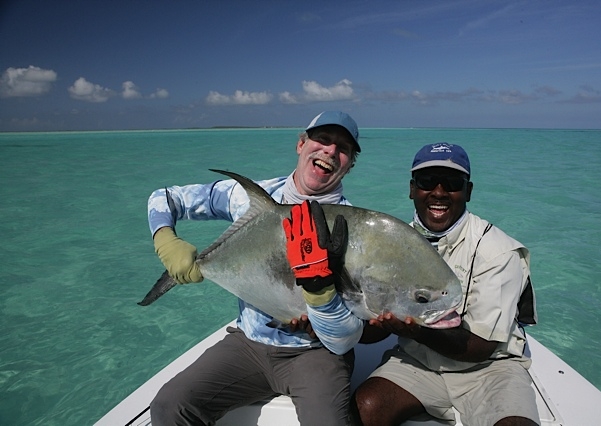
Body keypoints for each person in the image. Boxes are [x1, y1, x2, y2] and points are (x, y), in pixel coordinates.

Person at [147, 111, 365, 425]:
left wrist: (322, 303)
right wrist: (166, 239)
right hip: (247, 344)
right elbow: (166, 197)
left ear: (349, 165)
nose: (331, 151)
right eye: (324, 139)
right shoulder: (248, 197)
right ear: (301, 144)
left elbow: (343, 341)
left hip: (316, 354)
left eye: (343, 148)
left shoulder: (352, 228)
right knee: (170, 405)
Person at [352, 143, 539, 426]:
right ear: (412, 189)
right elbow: (370, 332)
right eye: (427, 182)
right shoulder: (390, 244)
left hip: (490, 369)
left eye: (452, 183)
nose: (438, 192)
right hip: (418, 361)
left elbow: (481, 347)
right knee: (363, 409)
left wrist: (414, 330)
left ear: (468, 191)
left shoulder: (499, 251)